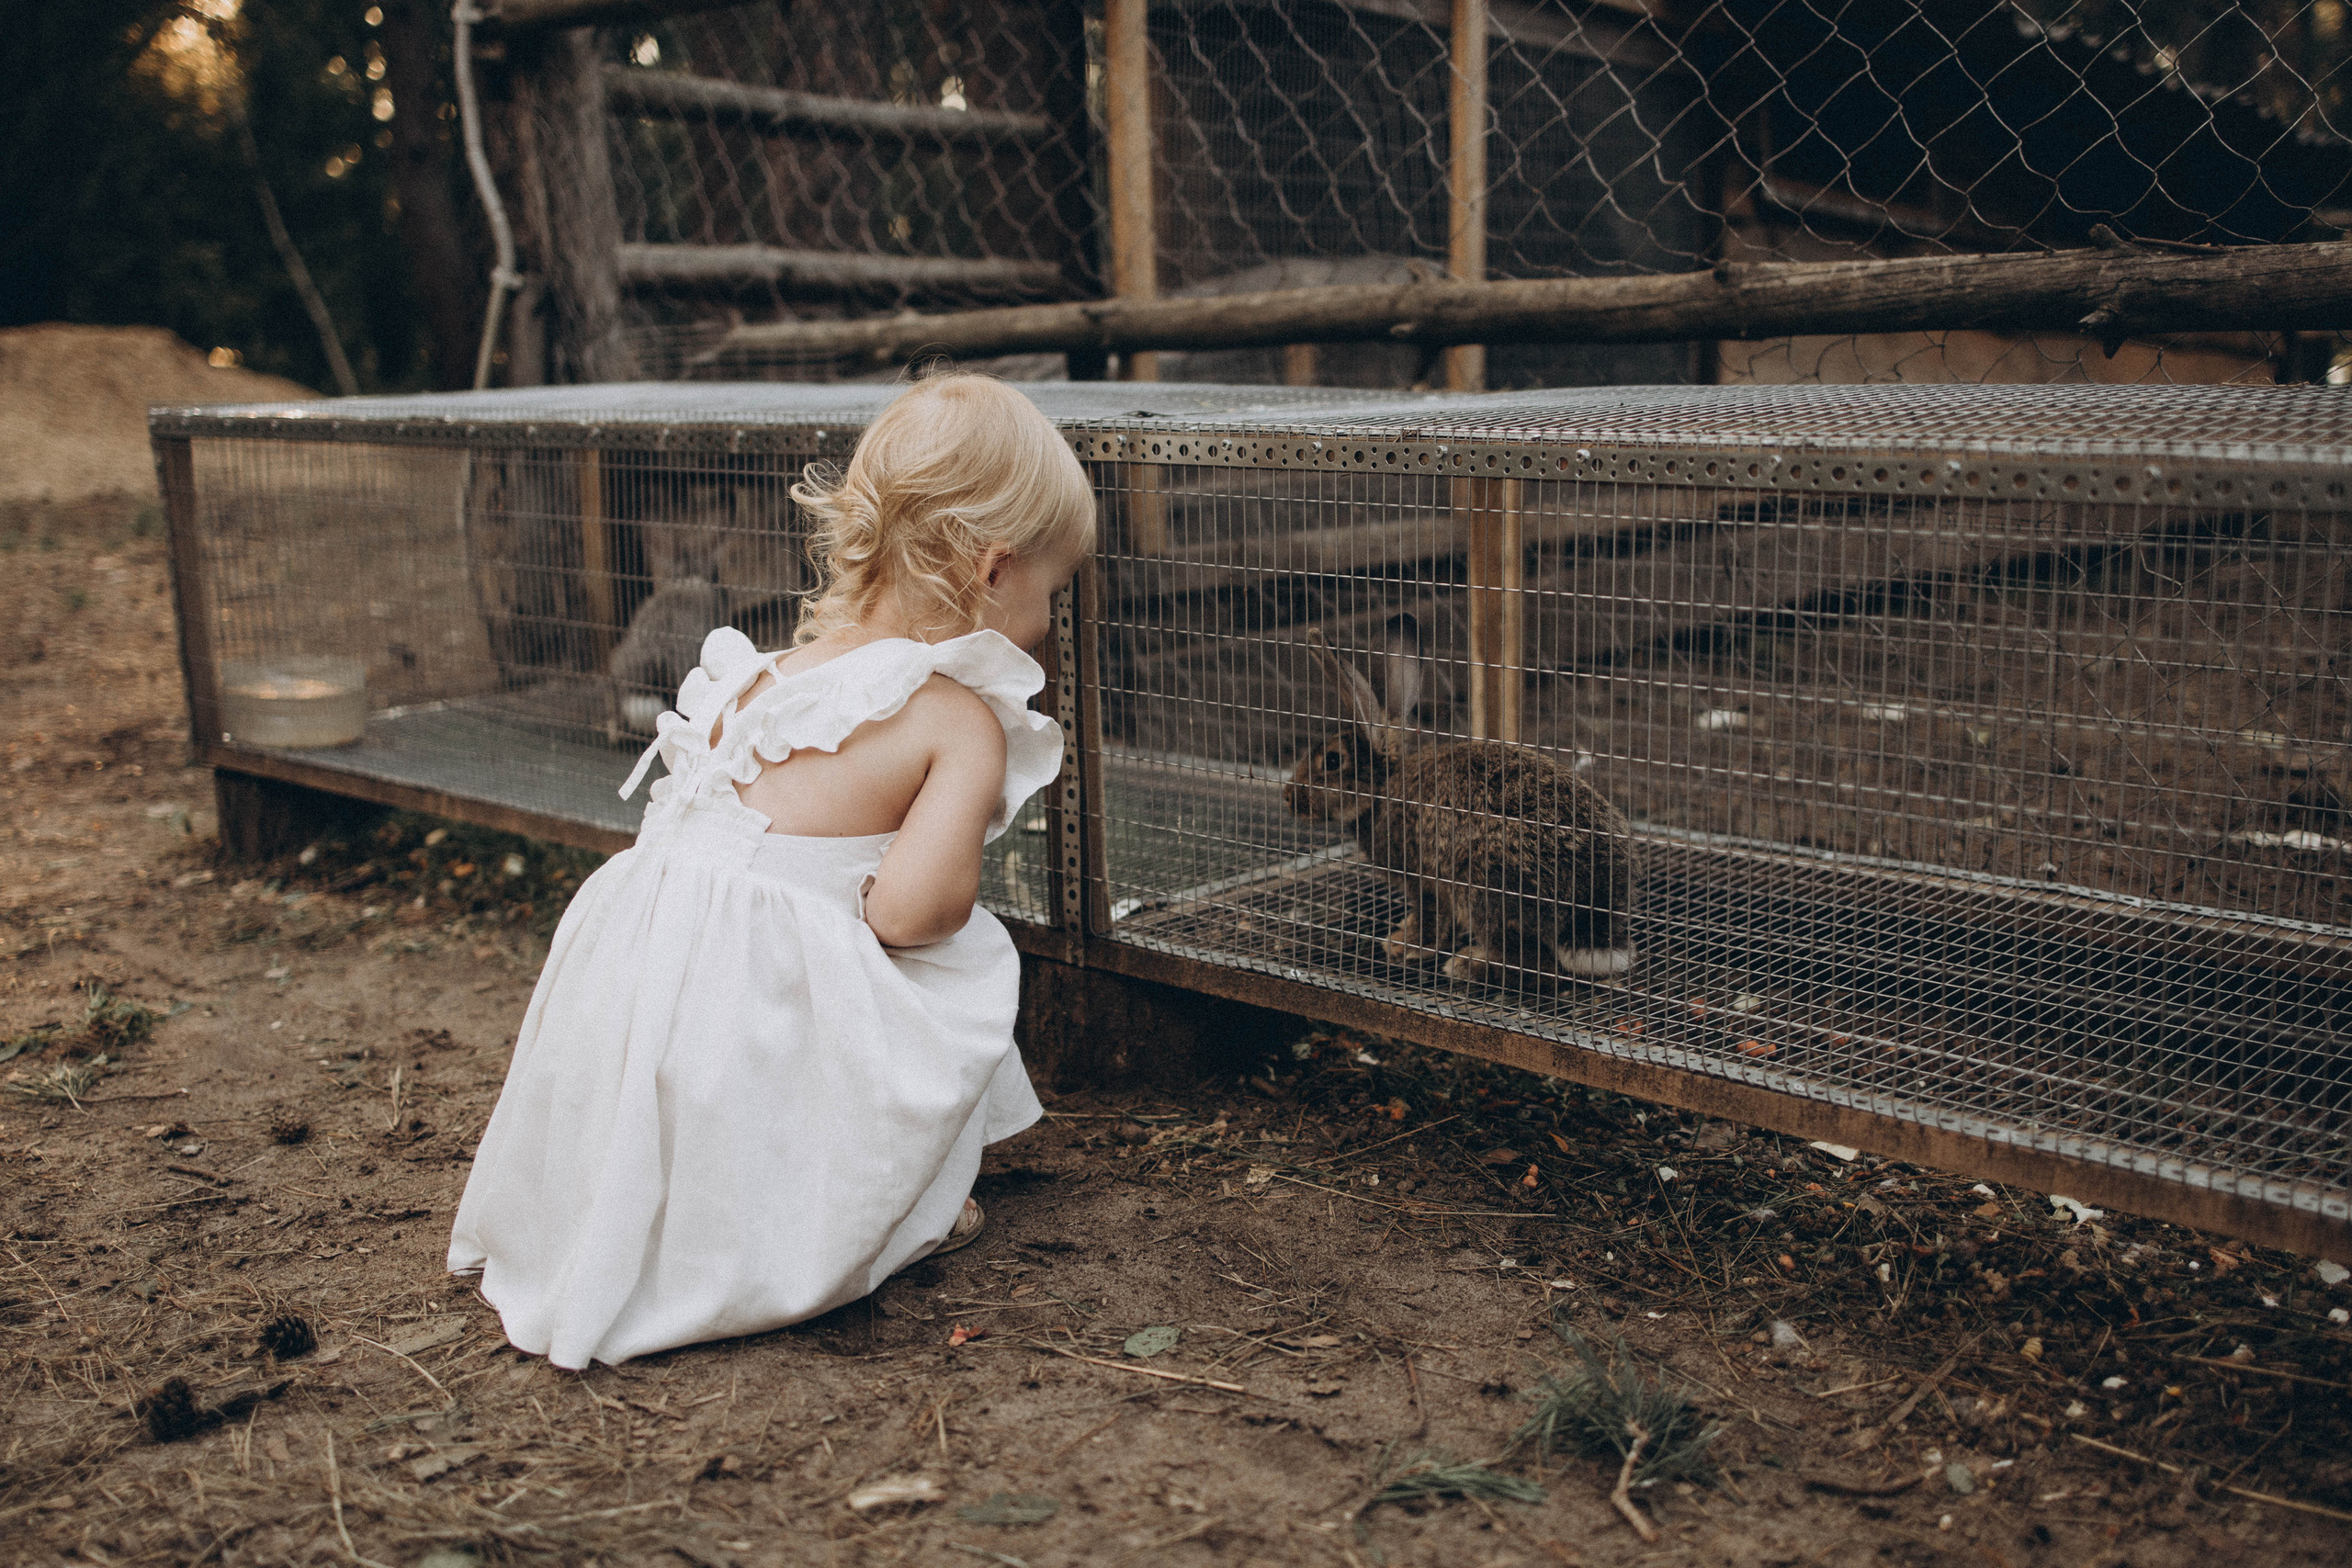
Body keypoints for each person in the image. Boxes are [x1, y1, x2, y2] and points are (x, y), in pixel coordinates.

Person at [447, 374, 1092, 1370]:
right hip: (749, 1017)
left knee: (784, 952)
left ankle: (622, 1207)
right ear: (995, 570)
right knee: (957, 955)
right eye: (1053, 593)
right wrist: (869, 905)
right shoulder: (956, 720)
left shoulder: (753, 676)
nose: (1052, 621)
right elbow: (915, 914)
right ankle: (861, 1210)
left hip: (634, 994)